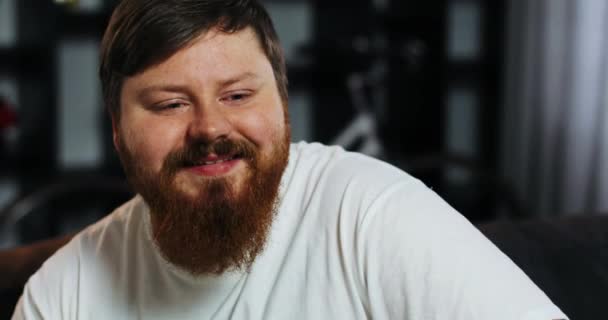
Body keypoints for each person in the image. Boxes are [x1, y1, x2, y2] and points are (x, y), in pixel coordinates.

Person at [12, 0, 568, 319]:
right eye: (171, 104)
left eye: (237, 95)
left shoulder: (371, 216)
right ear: (116, 129)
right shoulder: (64, 295)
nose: (210, 128)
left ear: (282, 105)